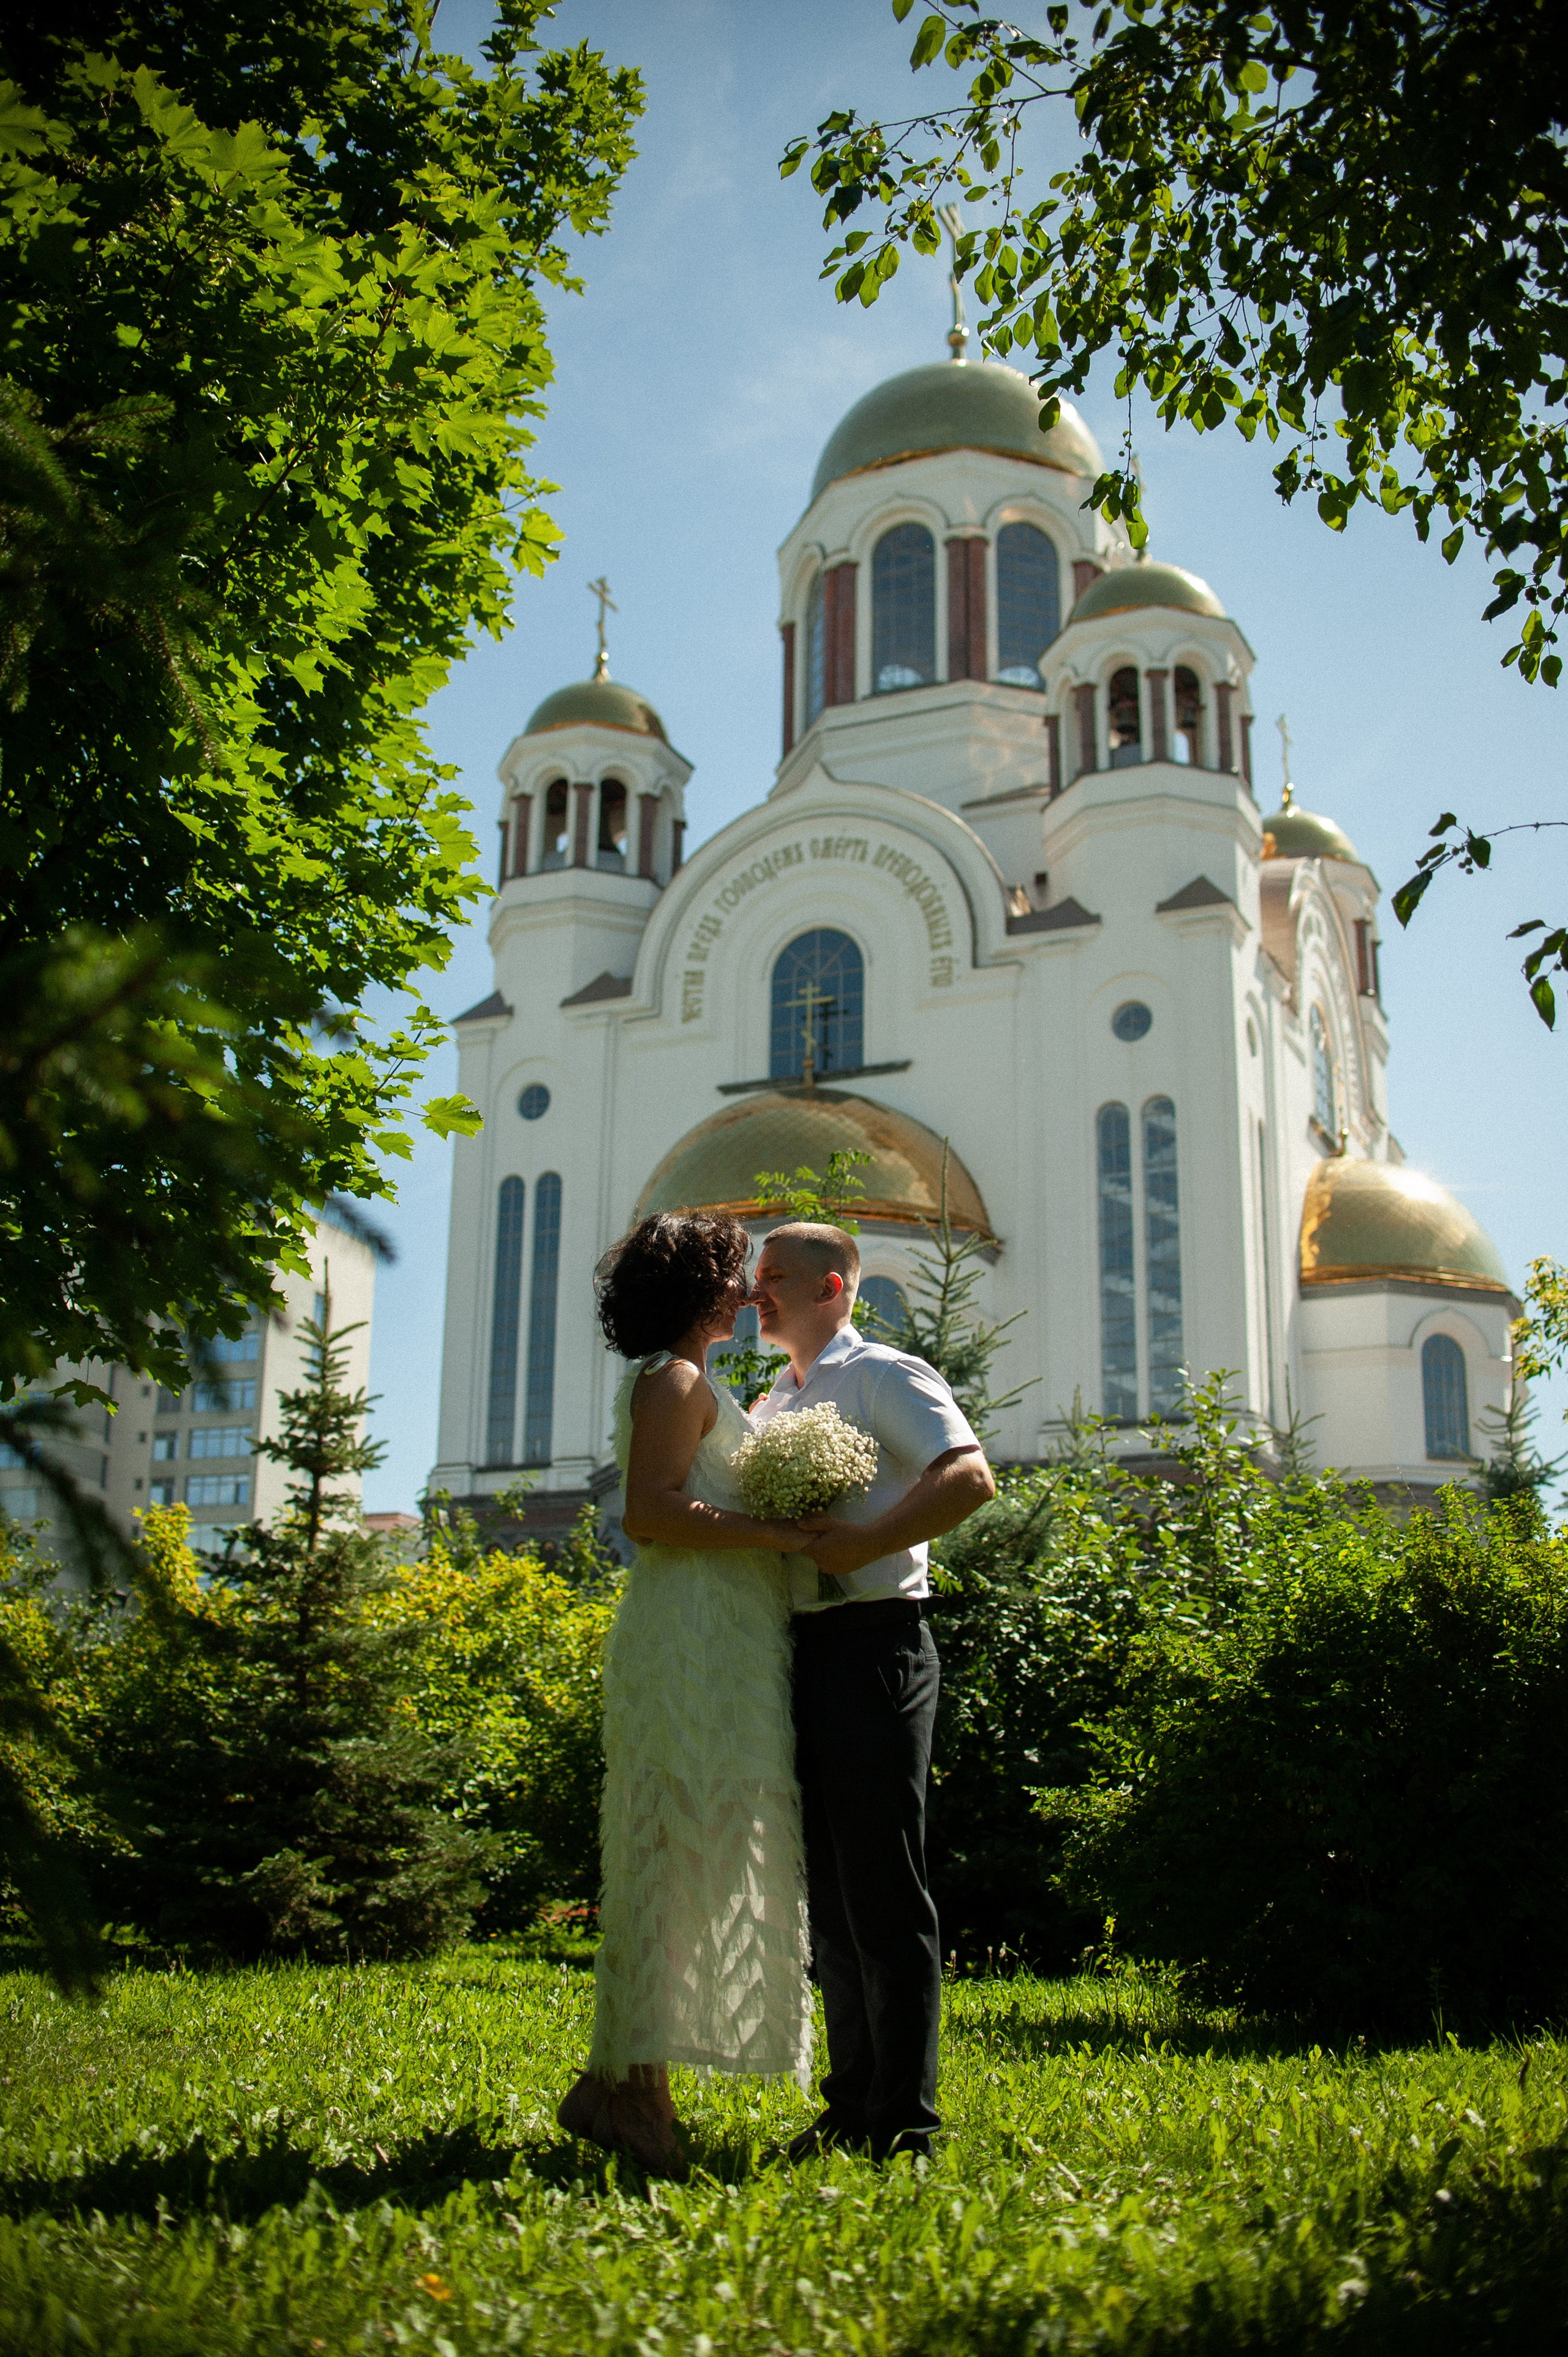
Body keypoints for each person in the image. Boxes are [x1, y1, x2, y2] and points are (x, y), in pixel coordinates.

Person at [556, 1211, 818, 2175]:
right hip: (692, 1637)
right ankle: (632, 2094)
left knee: (697, 1859)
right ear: (698, 1289)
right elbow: (650, 1514)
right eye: (733, 1274)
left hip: (729, 1635)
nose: (746, 1291)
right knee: (675, 1862)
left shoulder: (692, 1379)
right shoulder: (672, 1380)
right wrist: (777, 1534)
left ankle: (619, 2083)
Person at [750, 1222, 995, 2164]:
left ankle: (908, 2124)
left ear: (834, 1288)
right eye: (757, 1277)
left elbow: (968, 1478)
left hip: (877, 1644)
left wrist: (862, 1545)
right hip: (800, 1653)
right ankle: (852, 2108)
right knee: (831, 1896)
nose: (757, 1293)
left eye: (776, 1277)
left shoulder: (885, 1375)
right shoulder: (777, 1398)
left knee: (885, 1893)